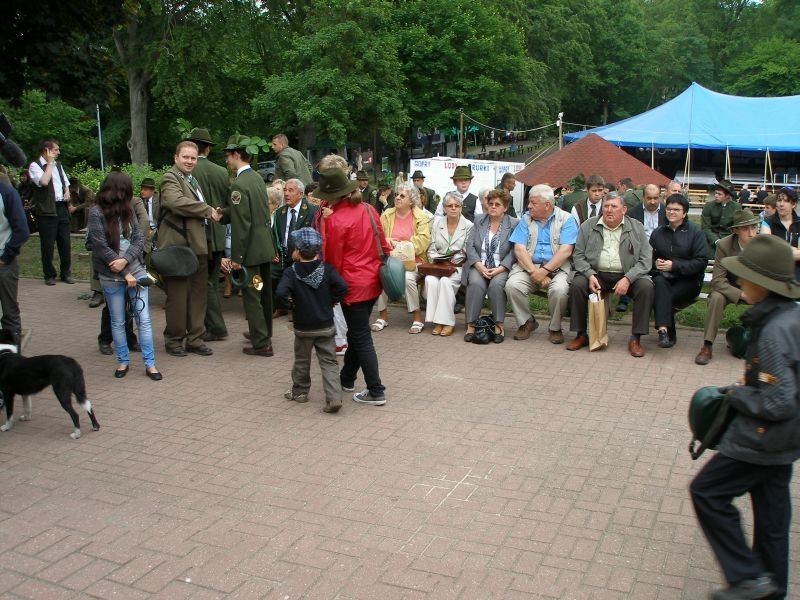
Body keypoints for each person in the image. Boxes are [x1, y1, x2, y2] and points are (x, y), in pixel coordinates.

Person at [689, 234, 800, 600]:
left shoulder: (774, 331)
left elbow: (779, 401)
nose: (738, 282)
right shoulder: (791, 316)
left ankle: (747, 578)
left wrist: (738, 394)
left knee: (706, 492)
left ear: (764, 284)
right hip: (786, 442)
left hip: (761, 439)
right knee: (772, 523)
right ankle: (773, 590)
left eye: (744, 276)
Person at [317, 168, 390, 406]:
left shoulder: (334, 220)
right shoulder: (369, 209)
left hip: (351, 285)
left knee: (361, 337)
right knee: (357, 334)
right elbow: (384, 245)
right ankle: (347, 378)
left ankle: (376, 390)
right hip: (373, 281)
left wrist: (331, 292)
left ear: (332, 195)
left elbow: (332, 261)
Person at [87, 172, 161, 381]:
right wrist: (125, 272)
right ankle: (123, 361)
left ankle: (150, 364)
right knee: (118, 321)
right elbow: (100, 246)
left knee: (143, 320)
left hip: (134, 271)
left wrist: (127, 262)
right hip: (111, 275)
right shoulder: (95, 212)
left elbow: (139, 238)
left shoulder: (128, 209)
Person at [568, 193, 654, 357]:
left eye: (614, 206)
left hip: (627, 274)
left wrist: (628, 278)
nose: (609, 210)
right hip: (596, 274)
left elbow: (645, 259)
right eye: (606, 206)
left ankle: (636, 337)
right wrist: (589, 274)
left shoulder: (636, 227)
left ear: (624, 210)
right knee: (577, 284)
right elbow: (578, 256)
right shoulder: (588, 226)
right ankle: (580, 334)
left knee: (646, 286)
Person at [157, 140, 221, 357]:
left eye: (193, 158)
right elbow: (174, 202)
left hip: (198, 248)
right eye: (185, 157)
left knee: (197, 296)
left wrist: (210, 213)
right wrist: (206, 210)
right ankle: (174, 340)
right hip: (179, 250)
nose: (190, 161)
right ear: (175, 158)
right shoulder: (169, 177)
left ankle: (195, 339)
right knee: (177, 298)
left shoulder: (192, 180)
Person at [276, 228, 347, 413]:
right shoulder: (327, 269)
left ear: (297, 251)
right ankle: (334, 398)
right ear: (317, 251)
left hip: (303, 327)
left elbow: (280, 292)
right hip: (325, 325)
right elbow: (342, 286)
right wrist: (331, 301)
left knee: (302, 360)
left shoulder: (291, 272)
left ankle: (300, 392)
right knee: (329, 362)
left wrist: (291, 305)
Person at [220, 134, 277, 357]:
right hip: (263, 248)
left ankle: (261, 343)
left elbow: (242, 225)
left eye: (228, 157)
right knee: (263, 292)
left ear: (236, 155)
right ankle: (262, 331)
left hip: (250, 252)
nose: (227, 161)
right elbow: (254, 213)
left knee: (252, 296)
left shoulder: (239, 185)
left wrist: (237, 258)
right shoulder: (255, 179)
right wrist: (222, 214)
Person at [506, 184, 577, 344]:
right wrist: (534, 272)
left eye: (533, 203)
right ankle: (526, 322)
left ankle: (555, 328)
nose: (528, 206)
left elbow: (566, 251)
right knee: (512, 285)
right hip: (529, 267)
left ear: (547, 205)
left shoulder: (566, 219)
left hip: (557, 268)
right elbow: (519, 249)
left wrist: (544, 271)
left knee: (559, 290)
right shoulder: (525, 219)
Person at [695, 209, 760, 365]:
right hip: (732, 288)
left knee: (774, 302)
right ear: (735, 230)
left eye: (753, 227)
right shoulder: (725, 245)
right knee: (716, 297)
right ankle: (707, 345)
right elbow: (717, 280)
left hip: (758, 290)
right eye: (745, 228)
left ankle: (765, 347)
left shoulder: (763, 244)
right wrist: (742, 295)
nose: (751, 233)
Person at [185, 128, 230, 343]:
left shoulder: (188, 172)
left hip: (198, 235)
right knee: (210, 280)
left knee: (204, 284)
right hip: (219, 233)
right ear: (209, 148)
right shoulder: (222, 172)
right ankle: (208, 325)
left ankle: (216, 326)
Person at [648, 193, 708, 348]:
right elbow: (648, 258)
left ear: (685, 213)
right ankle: (664, 331)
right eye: (668, 209)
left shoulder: (695, 233)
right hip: (664, 278)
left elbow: (701, 262)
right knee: (660, 283)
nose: (671, 212)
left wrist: (674, 265)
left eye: (676, 209)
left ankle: (666, 332)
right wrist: (656, 263)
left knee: (661, 295)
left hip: (689, 281)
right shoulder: (658, 233)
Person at [371, 182, 431, 333]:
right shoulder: (386, 215)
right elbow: (378, 237)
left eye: (402, 196)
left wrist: (399, 245)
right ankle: (383, 316)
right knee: (382, 273)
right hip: (391, 260)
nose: (397, 198)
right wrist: (387, 242)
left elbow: (423, 242)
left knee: (409, 277)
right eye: (397, 195)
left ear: (411, 200)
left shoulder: (421, 217)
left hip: (414, 261)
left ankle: (417, 317)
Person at [463, 189, 518, 343]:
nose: (493, 207)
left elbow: (515, 250)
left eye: (497, 204)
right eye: (490, 203)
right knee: (475, 283)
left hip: (501, 267)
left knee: (496, 285)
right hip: (479, 265)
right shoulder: (479, 220)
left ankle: (499, 325)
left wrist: (501, 268)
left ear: (505, 208)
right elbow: (470, 245)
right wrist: (479, 266)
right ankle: (471, 325)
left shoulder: (513, 223)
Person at [423, 191, 473, 336]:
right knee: (430, 280)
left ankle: (448, 322)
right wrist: (437, 259)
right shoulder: (437, 223)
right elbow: (431, 247)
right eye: (449, 205)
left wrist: (450, 261)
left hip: (457, 267)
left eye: (457, 205)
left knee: (445, 282)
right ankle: (437, 321)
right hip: (437, 266)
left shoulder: (469, 226)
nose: (453, 208)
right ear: (444, 208)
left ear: (461, 208)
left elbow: (466, 251)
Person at [28, 138, 74, 286]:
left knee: (65, 243)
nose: (58, 152)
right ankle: (49, 274)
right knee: (47, 245)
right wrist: (48, 163)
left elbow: (65, 182)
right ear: (46, 150)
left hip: (61, 207)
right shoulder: (35, 166)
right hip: (46, 210)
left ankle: (66, 273)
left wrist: (67, 192)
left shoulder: (58, 166)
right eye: (55, 150)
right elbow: (43, 182)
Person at [272, 178, 317, 317]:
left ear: (301, 194)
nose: (286, 194)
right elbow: (274, 234)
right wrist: (273, 251)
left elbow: (314, 236)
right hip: (282, 256)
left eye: (291, 190)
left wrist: (301, 252)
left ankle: (298, 309)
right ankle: (279, 306)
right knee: (268, 272)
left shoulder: (312, 211)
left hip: (302, 256)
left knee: (301, 274)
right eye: (285, 190)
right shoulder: (280, 213)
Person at [0, 179, 30, 345]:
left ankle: (12, 361)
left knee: (9, 313)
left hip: (4, 264)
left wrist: (6, 256)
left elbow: (22, 230)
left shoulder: (7, 193)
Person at [759, 186, 800, 280]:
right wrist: (792, 251)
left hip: (796, 274)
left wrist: (777, 250)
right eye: (779, 200)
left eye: (786, 201)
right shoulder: (767, 223)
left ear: (793, 204)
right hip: (773, 272)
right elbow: (766, 251)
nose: (781, 204)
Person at [701, 179, 741, 257]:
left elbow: (737, 227)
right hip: (711, 240)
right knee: (708, 257)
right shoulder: (708, 206)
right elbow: (705, 228)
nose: (716, 195)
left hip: (730, 240)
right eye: (716, 193)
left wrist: (727, 241)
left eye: (719, 194)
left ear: (727, 196)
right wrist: (716, 241)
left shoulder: (737, 207)